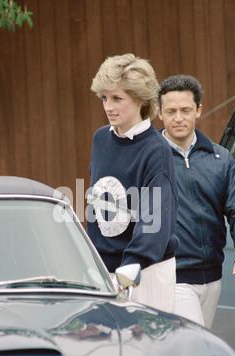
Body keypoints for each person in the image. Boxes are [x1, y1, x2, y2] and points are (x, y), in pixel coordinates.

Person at [158, 74, 235, 328]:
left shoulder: (220, 159)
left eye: (185, 110)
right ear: (160, 113)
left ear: (198, 111)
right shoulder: (149, 159)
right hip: (172, 277)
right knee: (194, 346)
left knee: (194, 347)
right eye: (171, 111)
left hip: (213, 278)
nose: (178, 117)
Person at [87, 54, 178, 312]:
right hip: (106, 271)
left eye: (117, 98)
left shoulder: (156, 149)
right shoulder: (100, 139)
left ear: (139, 99)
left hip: (147, 271)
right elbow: (97, 205)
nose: (108, 106)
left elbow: (155, 215)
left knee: (150, 349)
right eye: (104, 98)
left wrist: (132, 264)